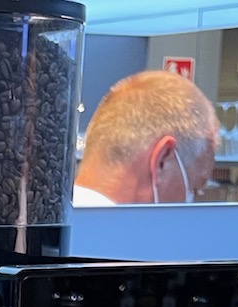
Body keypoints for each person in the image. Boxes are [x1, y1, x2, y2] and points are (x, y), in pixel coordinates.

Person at [73, 70, 220, 206]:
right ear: (162, 161)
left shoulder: (56, 217)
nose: (190, 203)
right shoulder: (123, 233)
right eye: (193, 189)